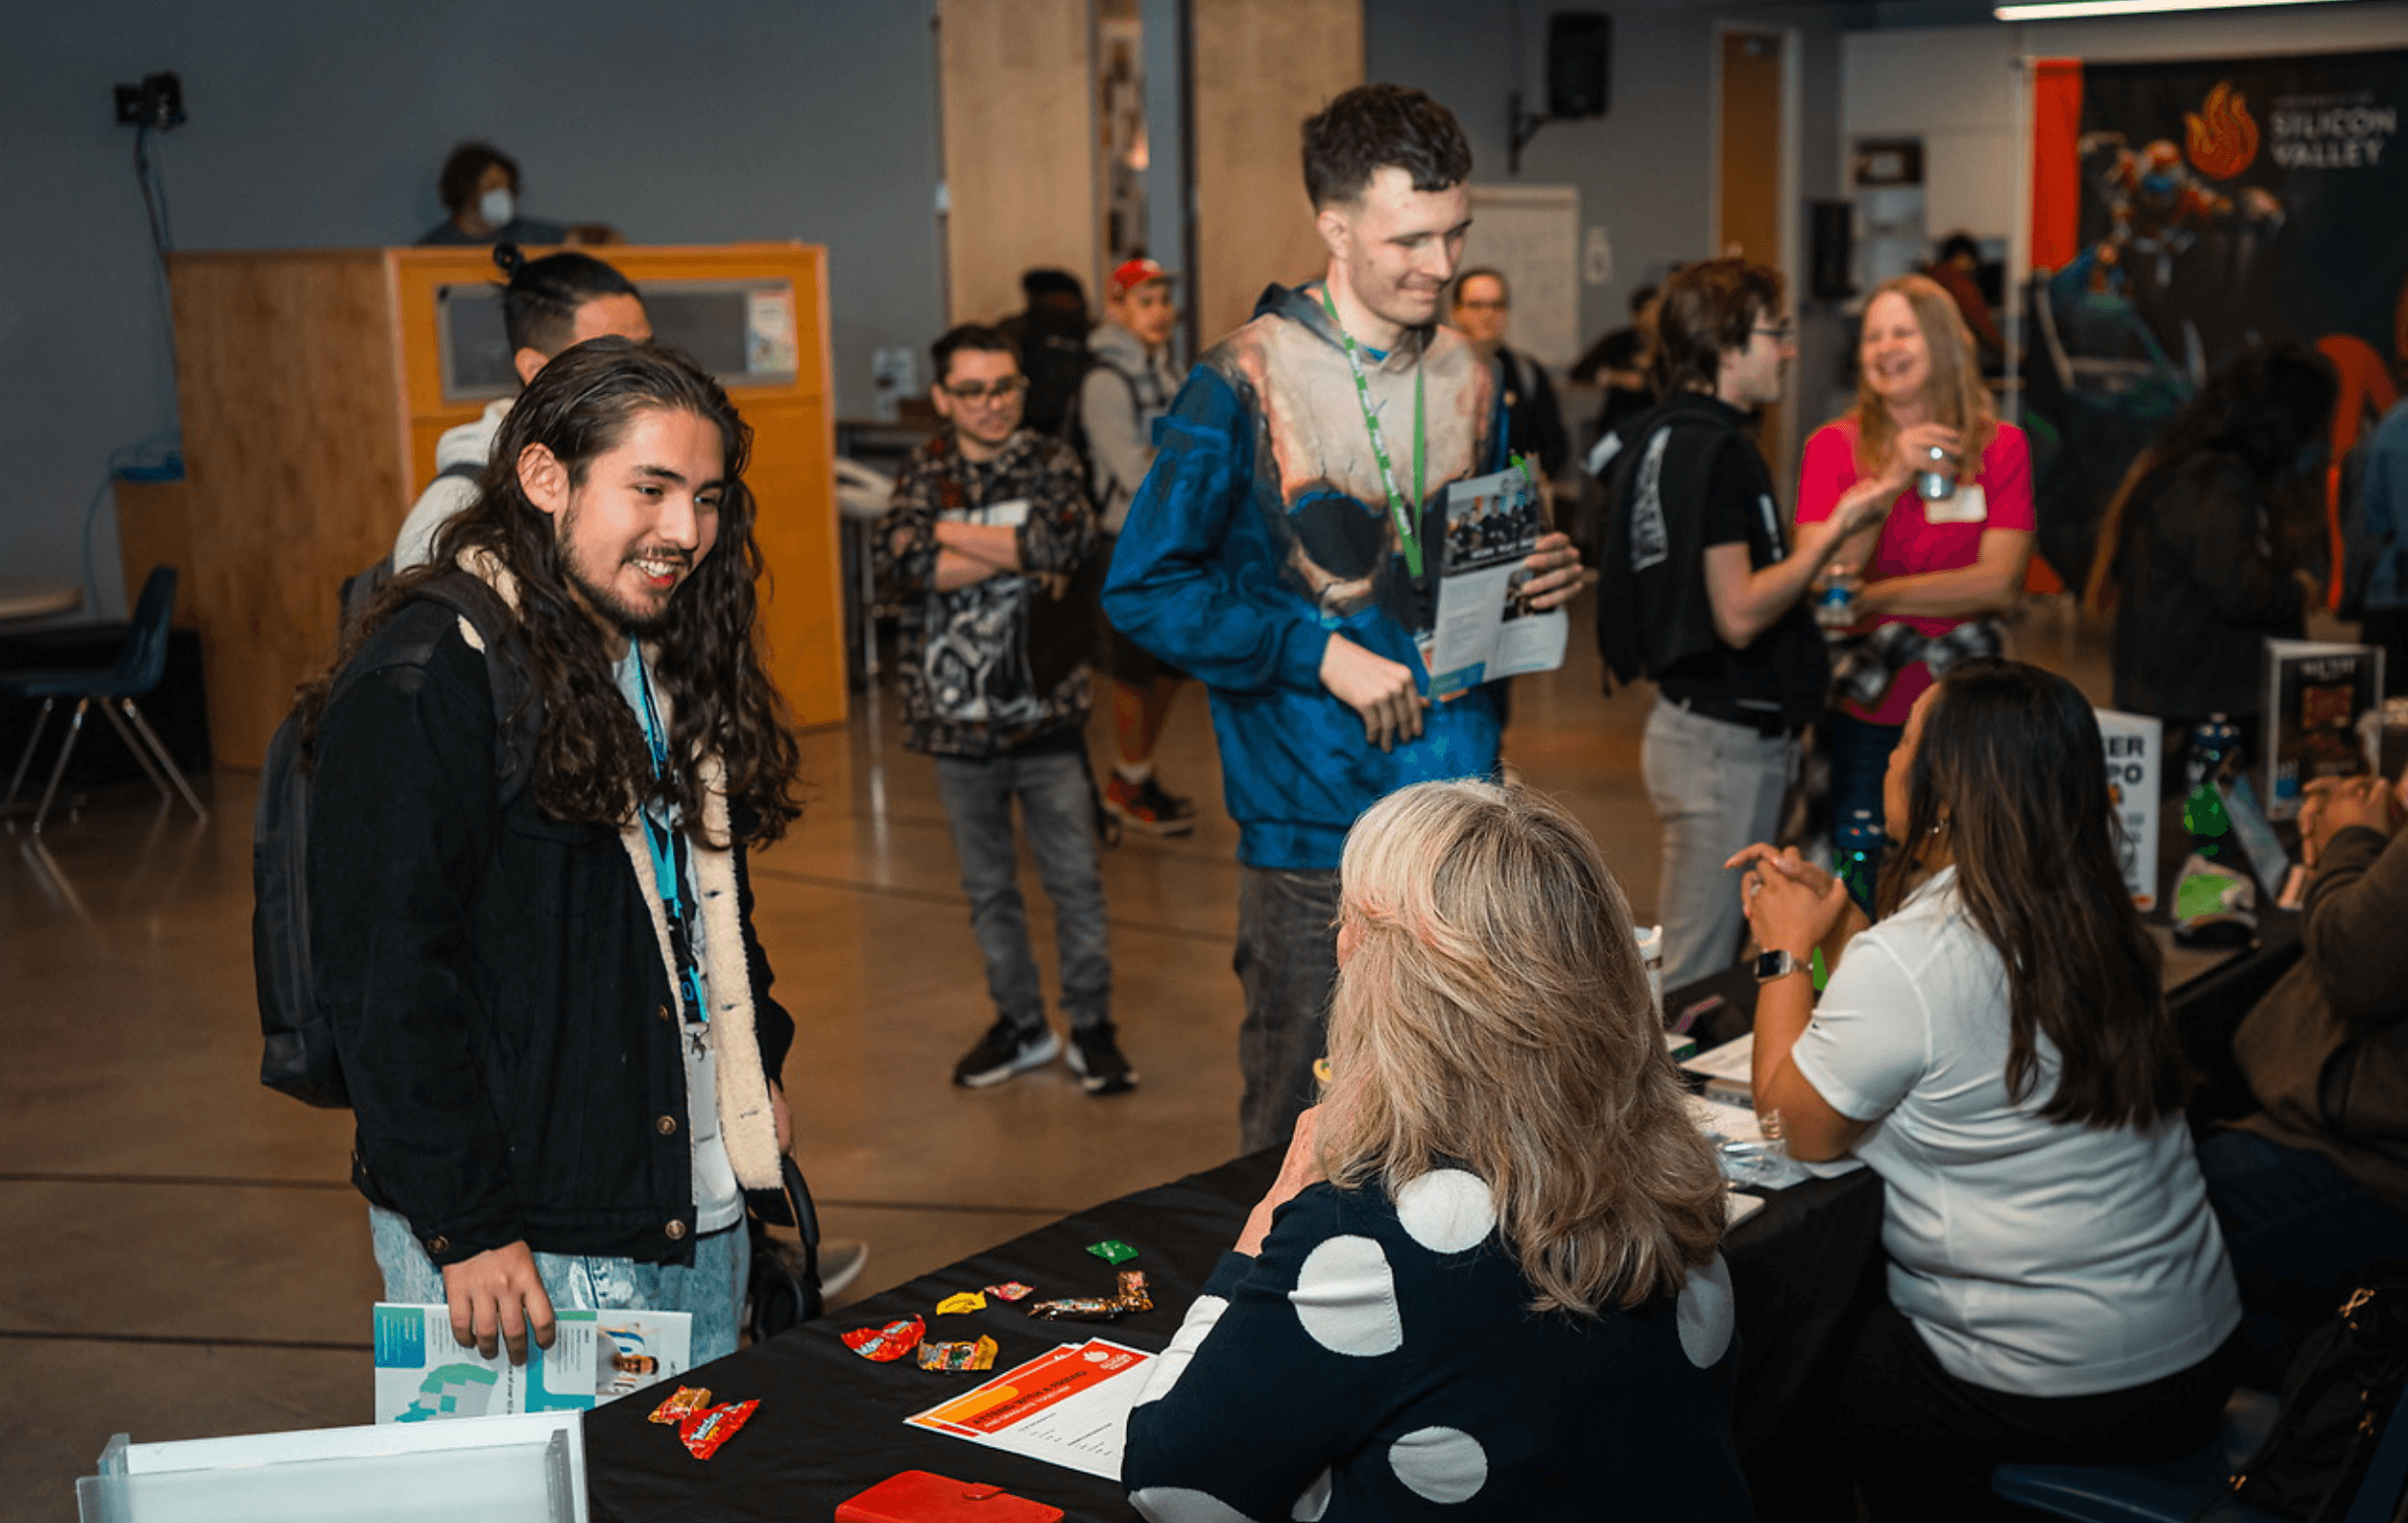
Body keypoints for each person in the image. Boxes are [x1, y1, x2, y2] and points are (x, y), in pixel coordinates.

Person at [1101, 83, 1586, 1153]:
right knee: (1310, 1138)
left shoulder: (1471, 374)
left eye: (1455, 232)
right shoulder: (1238, 379)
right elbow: (1141, 588)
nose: (1441, 264)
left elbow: (1462, 570)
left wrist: (1525, 579)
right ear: (1333, 227)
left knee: (1469, 1130)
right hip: (1319, 839)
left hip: (1464, 819)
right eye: (1408, 237)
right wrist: (1309, 649)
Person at [306, 339, 810, 1366]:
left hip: (691, 1200)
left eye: (707, 498)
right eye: (650, 488)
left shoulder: (653, 648)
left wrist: (757, 1066)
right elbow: (384, 986)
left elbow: (705, 908)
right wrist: (469, 1223)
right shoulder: (428, 676)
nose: (686, 532)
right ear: (544, 476)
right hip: (531, 1238)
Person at [1122, 780, 1751, 1522]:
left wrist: (1272, 1216)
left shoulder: (1371, 1236)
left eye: (1344, 921)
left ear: (1383, 981)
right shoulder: (1671, 1169)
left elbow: (1171, 1482)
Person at [1731, 659, 2240, 1519]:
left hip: (2068, 1382)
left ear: (1946, 794)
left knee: (1791, 1388)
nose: (1888, 758)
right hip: (2195, 1348)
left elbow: (1792, 1125)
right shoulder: (2085, 909)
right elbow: (1934, 1010)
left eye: (1904, 744)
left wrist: (1783, 952)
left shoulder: (1920, 956)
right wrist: (1844, 926)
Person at [1598, 258, 1888, 994]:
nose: (1789, 349)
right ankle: (1667, 1108)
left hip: (1703, 732)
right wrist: (1834, 532)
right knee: (1696, 975)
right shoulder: (1716, 449)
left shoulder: (1667, 431)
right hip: (1720, 749)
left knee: (1709, 957)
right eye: (1775, 333)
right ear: (1727, 345)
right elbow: (1739, 611)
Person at [876, 325, 1130, 1095]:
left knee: (1077, 883)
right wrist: (1012, 542)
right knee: (988, 890)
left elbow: (1065, 547)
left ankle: (1091, 1027)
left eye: (1006, 388)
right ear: (945, 397)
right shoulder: (925, 466)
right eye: (974, 391)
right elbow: (900, 557)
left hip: (1045, 719)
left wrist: (948, 536)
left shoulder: (1049, 459)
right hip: (956, 729)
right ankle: (1020, 1024)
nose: (992, 405)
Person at [1797, 273, 2034, 905]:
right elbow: (1830, 583)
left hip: (1967, 711)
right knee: (1855, 875)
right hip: (1867, 712)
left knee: (1971, 875)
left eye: (1902, 332)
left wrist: (1878, 600)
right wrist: (1892, 477)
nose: (1884, 348)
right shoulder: (1832, 448)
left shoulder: (2000, 447)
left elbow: (2000, 586)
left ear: (1942, 342)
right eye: (1873, 335)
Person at [2200, 763, 2408, 1377]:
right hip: (2358, 1136)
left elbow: (2356, 957)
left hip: (2377, 1171)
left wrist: (2351, 841)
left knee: (2153, 1222)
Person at [2084, 343, 2336, 764]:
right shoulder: (2214, 482)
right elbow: (2236, 587)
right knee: (2207, 821)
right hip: (2197, 705)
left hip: (2183, 699)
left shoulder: (2188, 468)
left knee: (2204, 819)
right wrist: (2297, 590)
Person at [393, 247, 651, 571]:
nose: (644, 371)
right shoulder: (455, 504)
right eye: (612, 354)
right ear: (535, 369)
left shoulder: (638, 459)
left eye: (646, 351)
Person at [1084, 257, 1197, 837]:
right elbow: (1132, 472)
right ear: (1118, 311)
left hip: (1173, 542)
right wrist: (1190, 463)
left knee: (1171, 667)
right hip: (1126, 543)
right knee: (1133, 672)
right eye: (1144, 302)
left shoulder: (1171, 372)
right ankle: (1129, 781)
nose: (1159, 313)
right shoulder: (1106, 381)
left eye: (1163, 300)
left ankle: (1133, 775)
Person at [1449, 267, 1567, 477]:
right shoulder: (1434, 373)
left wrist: (1523, 478)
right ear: (1456, 312)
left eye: (1497, 306)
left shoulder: (1526, 372)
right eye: (1476, 306)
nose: (1487, 314)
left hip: (1508, 501)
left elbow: (1553, 447)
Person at [417, 141, 571, 248]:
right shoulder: (434, 249)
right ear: (467, 189)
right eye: (493, 186)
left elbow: (575, 240)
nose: (504, 195)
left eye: (508, 187)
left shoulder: (531, 236)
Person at [1924, 233, 2006, 369]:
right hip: (1953, 361)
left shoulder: (1926, 281)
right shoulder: (1959, 284)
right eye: (1973, 261)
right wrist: (2009, 354)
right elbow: (1983, 330)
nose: (1973, 268)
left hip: (1927, 359)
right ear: (1963, 256)